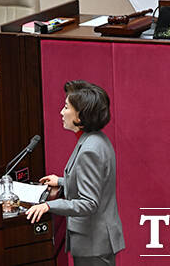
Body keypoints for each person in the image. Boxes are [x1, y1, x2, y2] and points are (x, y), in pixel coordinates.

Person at [26, 80, 125, 266]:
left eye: (66, 107)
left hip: (94, 245)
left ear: (79, 116)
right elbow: (96, 183)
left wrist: (49, 206)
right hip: (97, 240)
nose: (61, 112)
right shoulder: (96, 140)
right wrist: (62, 181)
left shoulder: (90, 150)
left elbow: (89, 203)